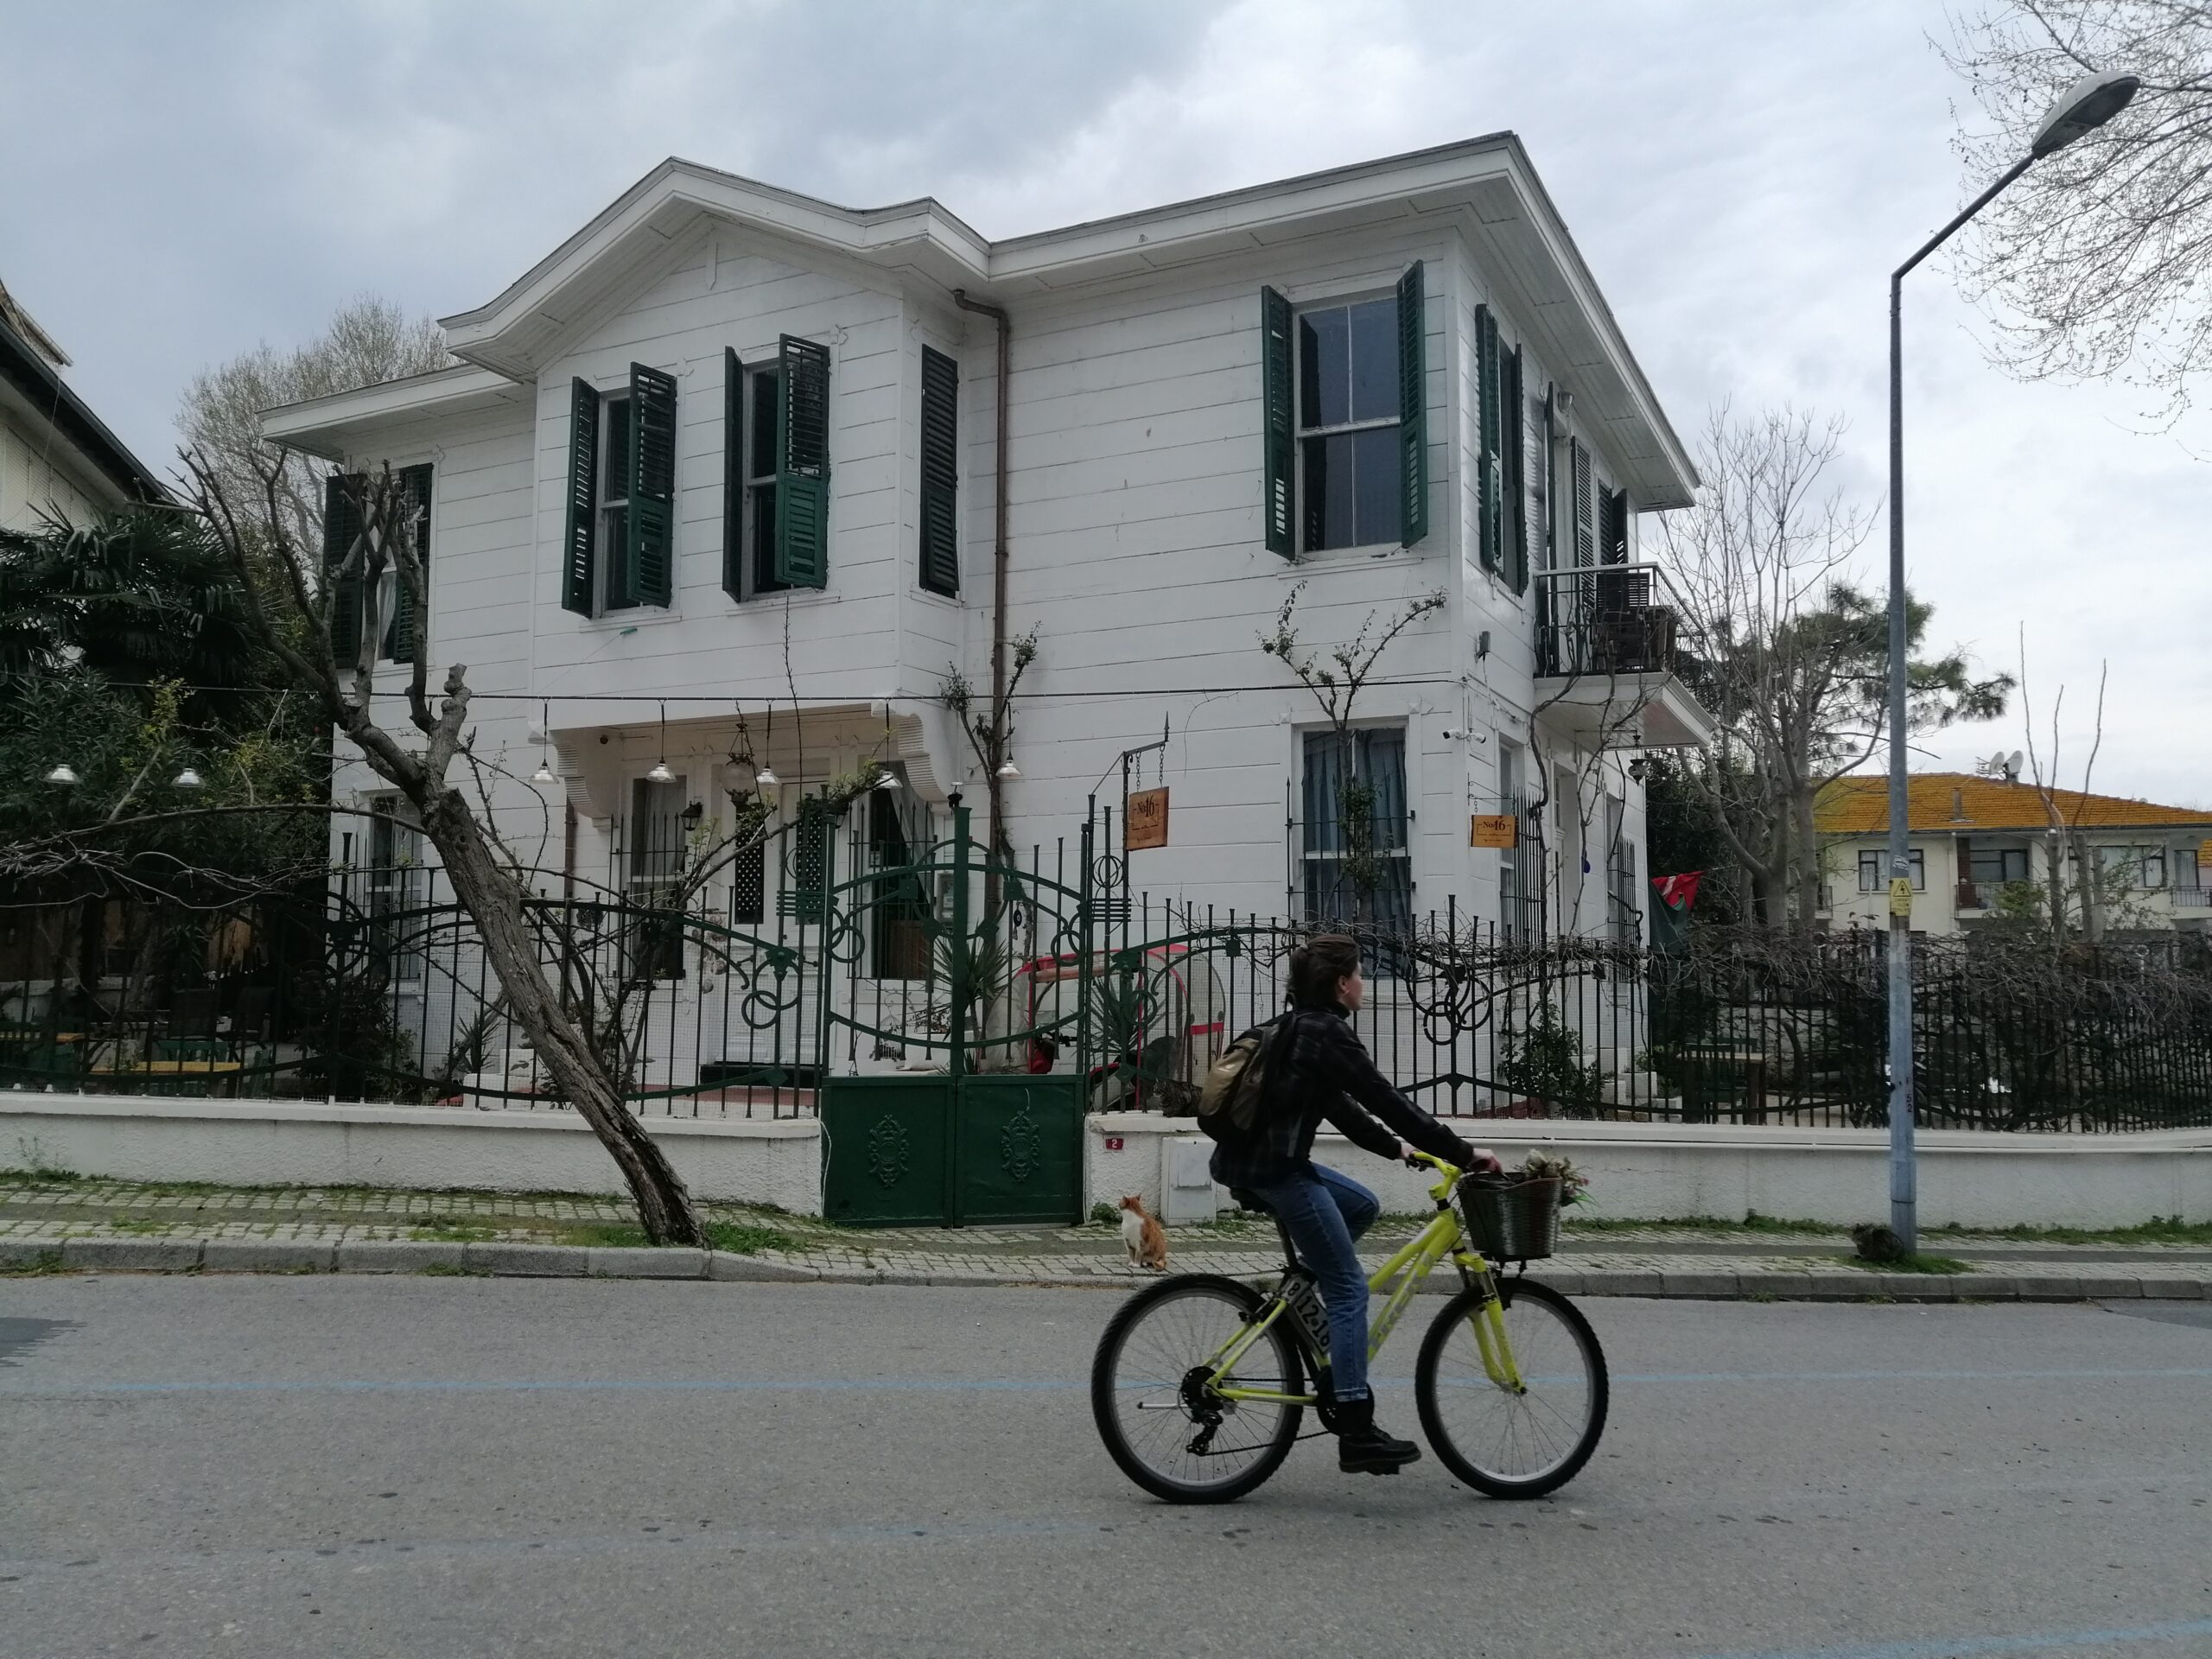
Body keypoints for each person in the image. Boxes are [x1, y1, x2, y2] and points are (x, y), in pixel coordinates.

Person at [1212, 933, 1500, 1475]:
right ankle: (1354, 1425)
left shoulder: (1300, 1027)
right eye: (1361, 975)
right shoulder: (1327, 1034)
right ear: (1341, 984)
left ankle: (1299, 1301)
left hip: (1258, 1164)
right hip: (1275, 1172)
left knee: (1361, 1206)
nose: (1364, 984)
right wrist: (1464, 1154)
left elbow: (1342, 1108)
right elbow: (1386, 1099)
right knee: (1348, 1287)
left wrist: (1398, 1150)